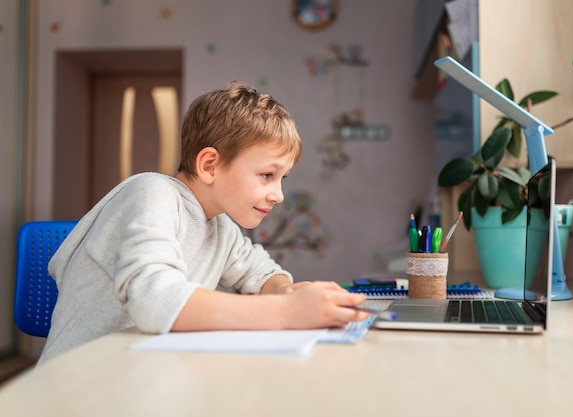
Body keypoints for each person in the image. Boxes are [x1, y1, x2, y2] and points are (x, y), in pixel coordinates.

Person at [38, 81, 368, 364]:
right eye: (267, 175)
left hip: (145, 373)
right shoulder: (152, 193)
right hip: (82, 383)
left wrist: (286, 291)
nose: (278, 195)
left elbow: (262, 272)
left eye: (282, 178)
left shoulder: (220, 226)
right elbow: (155, 301)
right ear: (210, 165)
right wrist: (288, 313)